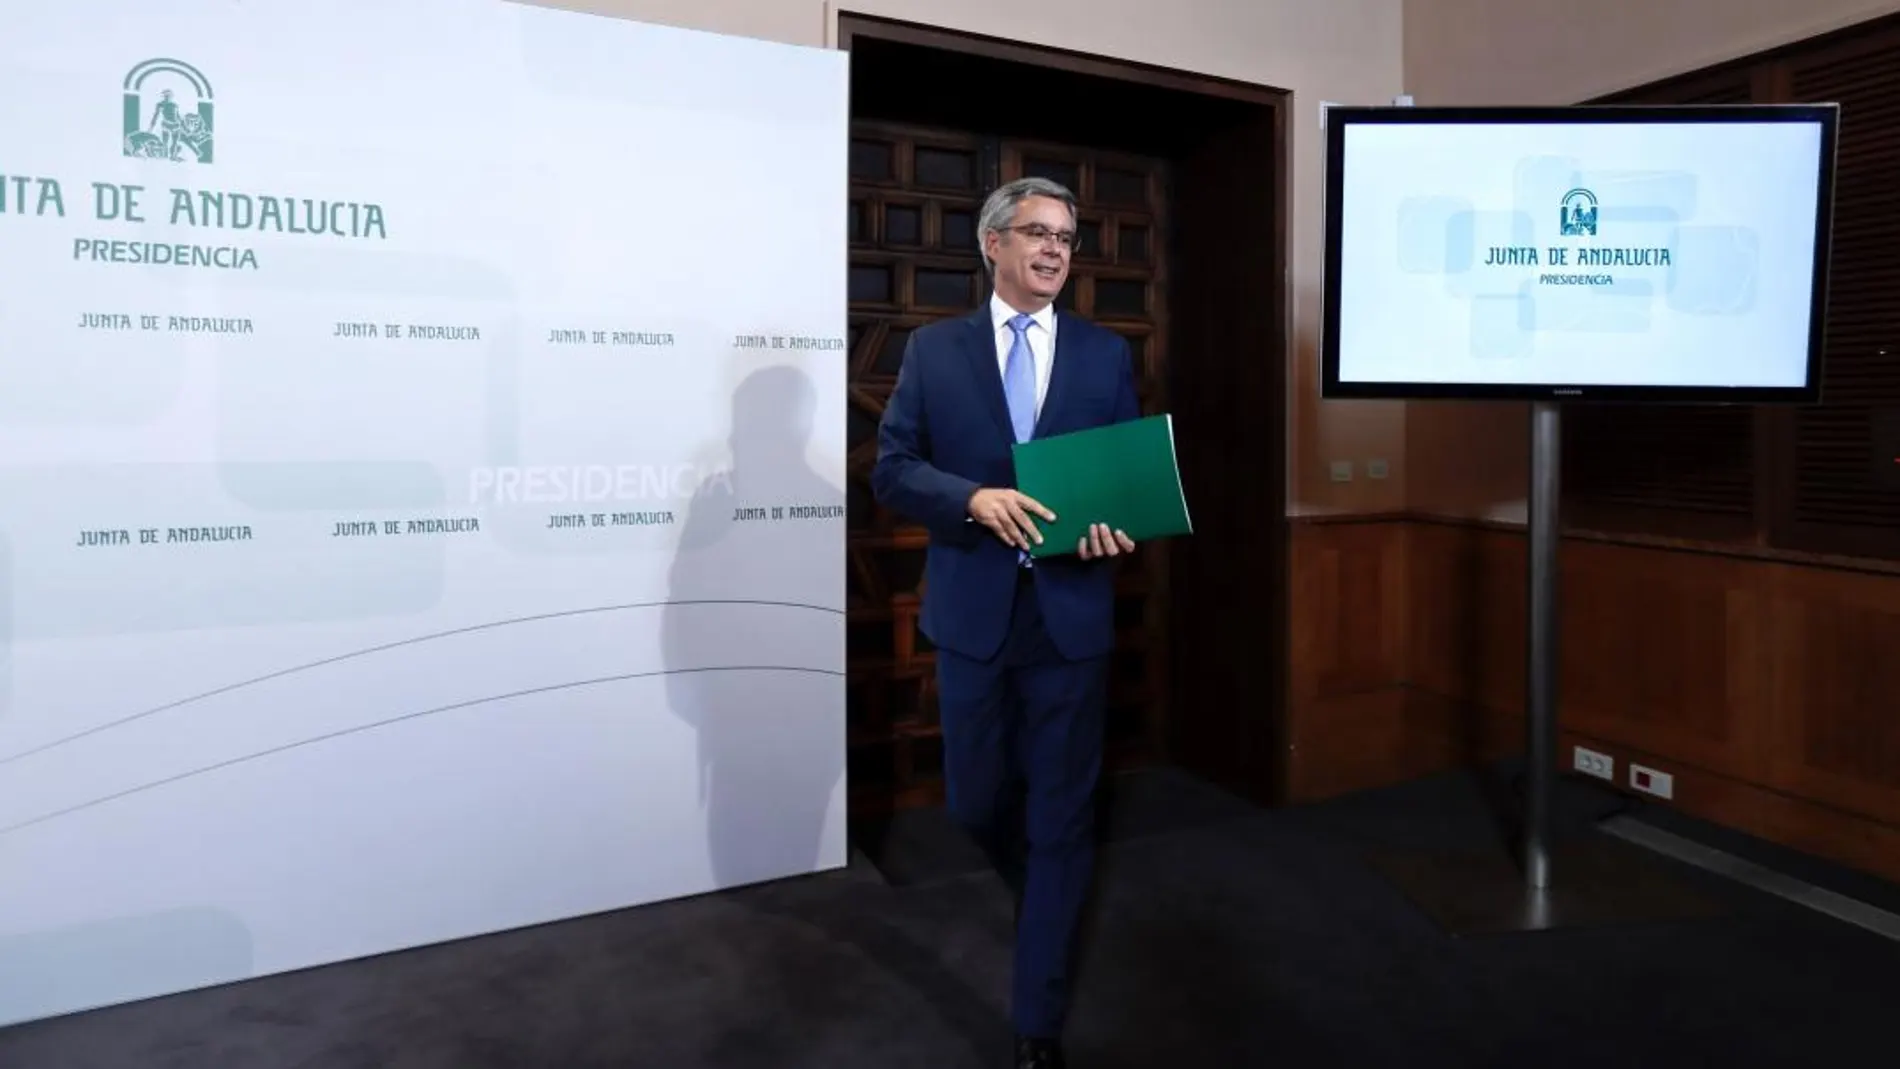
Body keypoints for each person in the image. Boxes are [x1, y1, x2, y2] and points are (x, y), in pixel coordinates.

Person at [871, 176, 1139, 1069]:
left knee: (1062, 819)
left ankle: (1038, 1022)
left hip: (1070, 619)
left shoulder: (1105, 356)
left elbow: (1122, 483)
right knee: (977, 801)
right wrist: (972, 498)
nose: (1056, 248)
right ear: (993, 243)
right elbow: (894, 468)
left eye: (1067, 235)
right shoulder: (934, 350)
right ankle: (1043, 886)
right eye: (1037, 232)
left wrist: (1114, 525)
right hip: (976, 616)